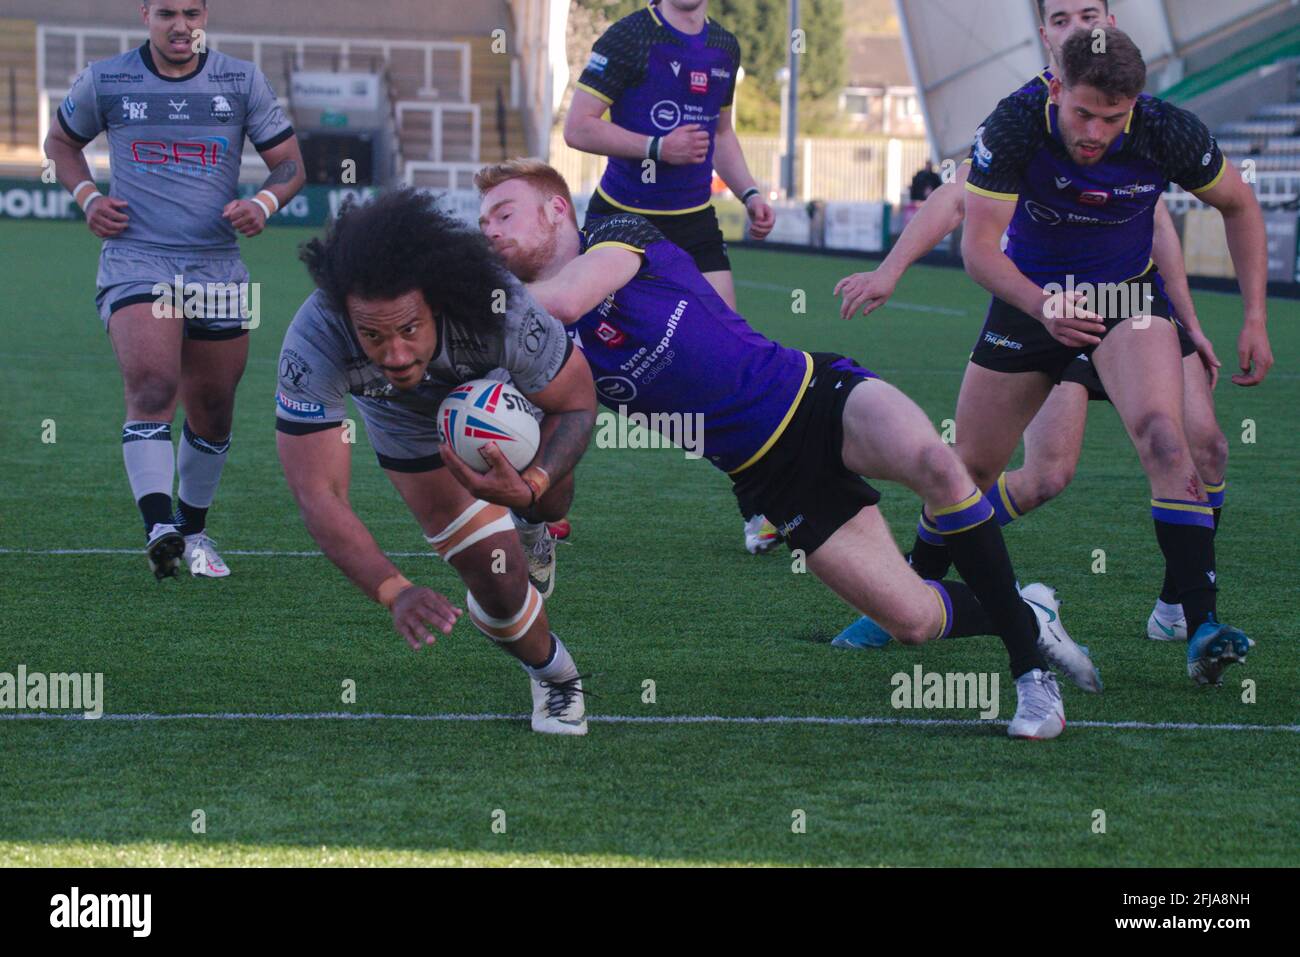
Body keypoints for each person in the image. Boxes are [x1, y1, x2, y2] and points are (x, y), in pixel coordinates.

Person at [477, 158, 1105, 741]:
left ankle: (1032, 678)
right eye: (482, 224)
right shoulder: (535, 348)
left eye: (504, 213)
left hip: (814, 395)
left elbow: (562, 300)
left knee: (939, 466)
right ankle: (1028, 612)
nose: (491, 231)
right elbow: (552, 433)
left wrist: (460, 294)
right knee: (911, 622)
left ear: (557, 209)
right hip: (768, 477)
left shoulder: (616, 234)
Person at [831, 0, 1242, 650]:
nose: (1078, 27)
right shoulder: (1023, 116)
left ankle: (1188, 610)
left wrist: (1191, 324)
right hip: (1038, 306)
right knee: (1037, 474)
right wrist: (891, 268)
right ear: (1043, 34)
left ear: (1111, 23)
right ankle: (912, 589)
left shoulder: (1134, 113)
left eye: (1091, 14)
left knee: (1199, 444)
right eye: (1061, 17)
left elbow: (1157, 220)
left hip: (1130, 306)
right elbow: (957, 200)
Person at [936, 27, 1268, 685]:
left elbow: (1239, 203)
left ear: (1135, 106)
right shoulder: (1012, 123)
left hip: (1125, 300)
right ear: (1056, 88)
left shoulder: (1165, 131)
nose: (1095, 131)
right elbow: (977, 248)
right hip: (1029, 296)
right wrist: (1043, 307)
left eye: (1112, 118)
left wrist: (1254, 314)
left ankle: (1199, 622)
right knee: (973, 465)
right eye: (1083, 112)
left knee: (1168, 440)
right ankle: (910, 587)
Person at [275, 190, 598, 735]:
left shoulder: (503, 307)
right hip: (408, 430)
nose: (395, 354)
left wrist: (535, 481)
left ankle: (535, 524)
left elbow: (577, 402)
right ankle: (556, 676)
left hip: (501, 399)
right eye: (372, 336)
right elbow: (319, 493)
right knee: (498, 582)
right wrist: (394, 589)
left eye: (409, 329)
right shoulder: (314, 339)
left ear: (438, 303)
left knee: (552, 497)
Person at [44, 0, 305, 579]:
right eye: (167, 12)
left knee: (213, 411)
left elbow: (289, 164)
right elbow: (60, 143)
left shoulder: (240, 79)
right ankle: (159, 524)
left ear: (204, 13)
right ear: (145, 14)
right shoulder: (106, 78)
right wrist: (88, 197)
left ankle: (193, 530)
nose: (180, 24)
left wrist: (265, 202)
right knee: (154, 384)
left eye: (191, 11)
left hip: (218, 266)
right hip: (137, 259)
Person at [566, 0, 780, 556]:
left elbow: (721, 135)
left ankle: (760, 509)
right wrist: (656, 147)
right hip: (620, 219)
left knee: (730, 362)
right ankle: (537, 504)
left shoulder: (725, 47)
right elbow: (577, 128)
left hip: (693, 224)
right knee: (577, 366)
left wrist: (750, 191)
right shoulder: (630, 37)